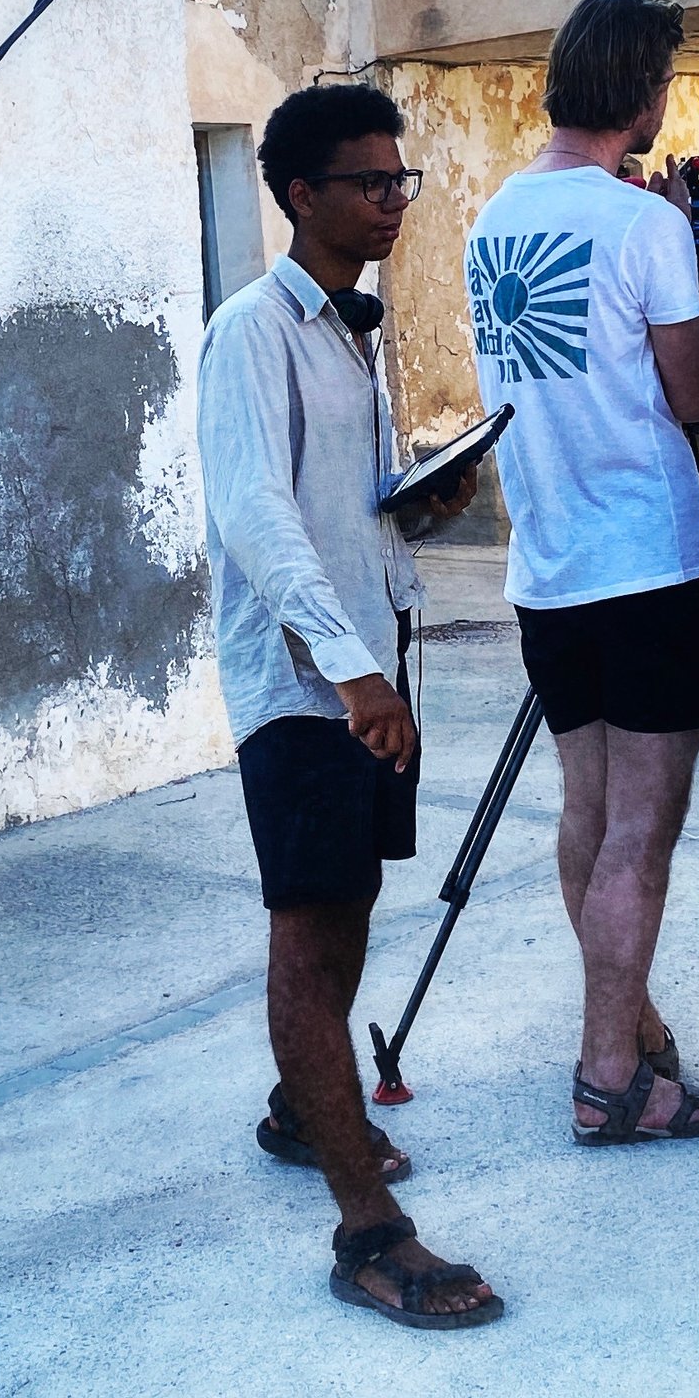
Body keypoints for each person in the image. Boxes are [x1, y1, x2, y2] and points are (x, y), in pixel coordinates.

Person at [197, 83, 500, 1330]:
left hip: (367, 671)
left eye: (400, 181)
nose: (392, 202)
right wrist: (347, 667)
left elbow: (333, 501)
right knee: (309, 930)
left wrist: (413, 504)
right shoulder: (252, 331)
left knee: (353, 904)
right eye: (369, 183)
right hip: (305, 691)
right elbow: (255, 513)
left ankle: (298, 1106)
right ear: (299, 194)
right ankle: (367, 1232)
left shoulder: (346, 332)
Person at [464, 0, 699, 1146]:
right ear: (643, 92)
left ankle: (627, 1036)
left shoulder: (492, 218)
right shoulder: (642, 227)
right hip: (645, 559)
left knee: (587, 814)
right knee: (642, 830)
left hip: (548, 567)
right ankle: (609, 1080)